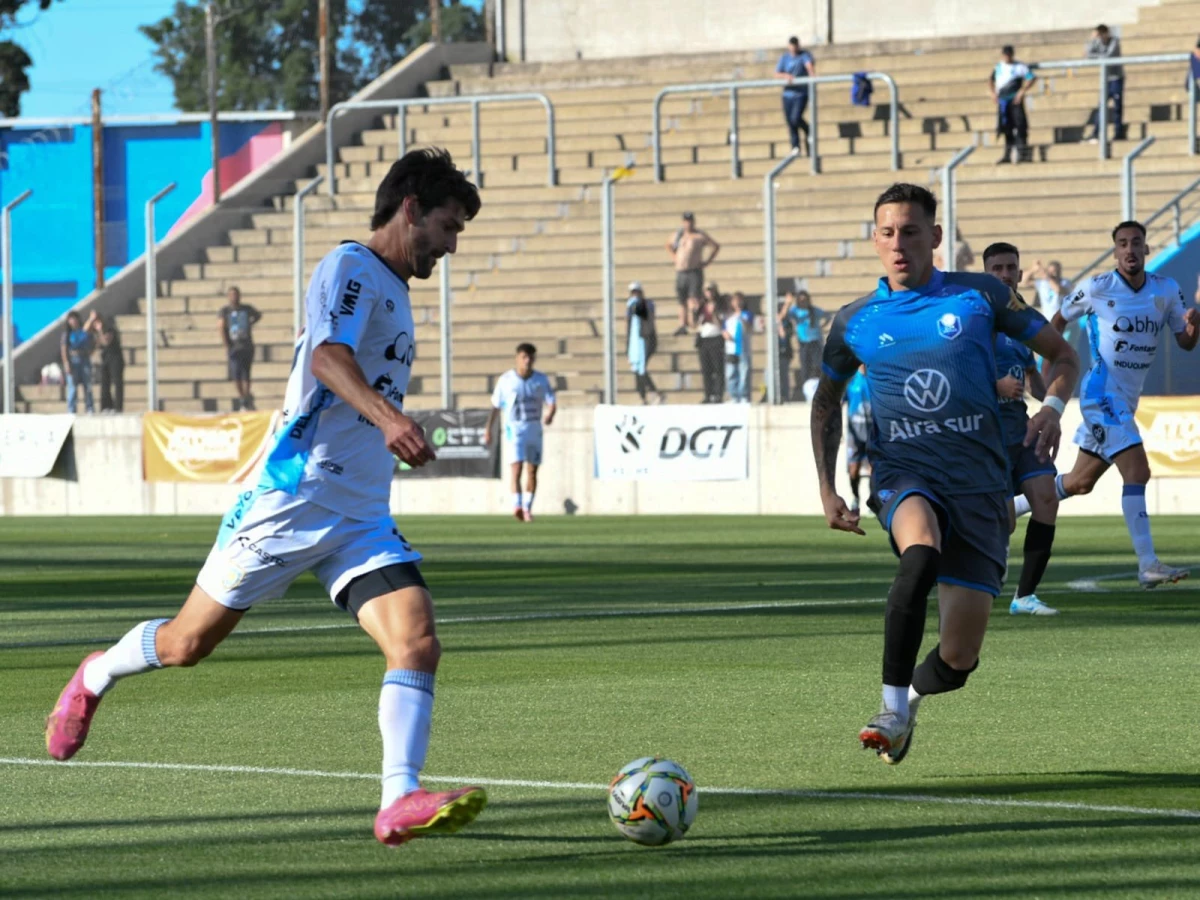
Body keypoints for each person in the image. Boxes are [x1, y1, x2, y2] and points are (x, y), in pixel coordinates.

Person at [45, 148, 489, 847]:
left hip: (360, 514)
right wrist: (391, 419)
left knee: (418, 639)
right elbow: (326, 358)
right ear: (410, 209)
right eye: (447, 224)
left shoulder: (396, 290)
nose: (452, 243)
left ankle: (398, 798)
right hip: (292, 497)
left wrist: (383, 426)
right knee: (188, 643)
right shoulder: (351, 267)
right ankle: (96, 672)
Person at [810, 182, 1078, 765]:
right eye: (887, 232)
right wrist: (828, 488)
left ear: (934, 236)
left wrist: (1052, 410)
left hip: (982, 487)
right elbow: (825, 402)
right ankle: (887, 705)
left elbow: (1063, 356)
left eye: (910, 231)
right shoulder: (855, 320)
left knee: (957, 661)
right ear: (874, 239)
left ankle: (907, 701)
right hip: (905, 472)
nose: (898, 243)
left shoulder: (981, 296)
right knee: (921, 550)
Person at [1013, 221, 1200, 587]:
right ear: (1115, 251)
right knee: (1138, 472)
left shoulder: (1165, 289)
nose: (1129, 249)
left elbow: (1186, 342)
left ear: (1146, 249)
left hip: (1125, 401)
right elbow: (1058, 320)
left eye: (1136, 243)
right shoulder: (1097, 288)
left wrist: (1196, 319)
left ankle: (1006, 509)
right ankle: (1148, 564)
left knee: (1080, 482)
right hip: (1101, 394)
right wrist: (1049, 363)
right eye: (1122, 244)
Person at [982, 242, 1060, 616]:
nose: (1004, 274)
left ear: (1020, 274)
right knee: (1005, 521)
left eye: (1010, 267)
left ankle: (1025, 596)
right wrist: (993, 386)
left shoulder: (1022, 323)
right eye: (996, 268)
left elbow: (1031, 377)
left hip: (1021, 427)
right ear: (985, 274)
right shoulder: (973, 320)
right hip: (984, 432)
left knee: (1047, 498)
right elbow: (949, 373)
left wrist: (1050, 409)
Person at [484, 343, 557, 522]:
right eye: (524, 357)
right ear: (517, 358)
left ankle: (527, 508)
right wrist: (488, 429)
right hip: (514, 429)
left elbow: (551, 401)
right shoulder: (506, 380)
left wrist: (550, 414)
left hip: (534, 428)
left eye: (531, 357)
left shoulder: (540, 379)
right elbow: (495, 406)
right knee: (516, 468)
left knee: (532, 470)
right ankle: (517, 505)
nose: (527, 361)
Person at [666, 213, 719, 336]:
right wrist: (674, 257)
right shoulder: (678, 235)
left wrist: (707, 261)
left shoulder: (699, 235)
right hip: (680, 271)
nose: (688, 224)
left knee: (693, 299)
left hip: (693, 270)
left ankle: (693, 323)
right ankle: (682, 324)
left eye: (690, 221)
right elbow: (668, 245)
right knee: (681, 299)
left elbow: (715, 246)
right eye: (686, 221)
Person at [217, 286, 262, 411]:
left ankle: (246, 398)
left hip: (246, 345)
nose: (234, 297)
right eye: (231, 295)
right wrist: (226, 344)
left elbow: (258, 315)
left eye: (235, 294)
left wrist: (250, 323)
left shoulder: (246, 309)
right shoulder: (225, 311)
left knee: (246, 373)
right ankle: (242, 398)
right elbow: (220, 326)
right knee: (236, 374)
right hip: (234, 346)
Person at [989, 45, 1036, 164]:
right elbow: (991, 80)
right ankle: (1007, 154)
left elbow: (1031, 78)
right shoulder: (998, 66)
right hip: (1003, 100)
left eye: (1008, 55)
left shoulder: (1020, 66)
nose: (1007, 57)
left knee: (1020, 126)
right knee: (1006, 127)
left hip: (1015, 99)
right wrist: (993, 93)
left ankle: (1023, 153)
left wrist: (1022, 91)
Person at [780, 289, 827, 396]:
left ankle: (821, 390)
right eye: (801, 300)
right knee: (805, 366)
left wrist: (822, 326)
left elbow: (827, 316)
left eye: (805, 300)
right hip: (804, 343)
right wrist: (787, 303)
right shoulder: (795, 311)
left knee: (819, 365)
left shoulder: (813, 311)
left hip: (815, 342)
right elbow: (783, 316)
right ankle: (807, 390)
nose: (803, 302)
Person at [774, 36, 816, 155]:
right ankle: (795, 146)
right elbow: (777, 73)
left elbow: (809, 66)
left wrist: (812, 76)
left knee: (795, 118)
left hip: (800, 94)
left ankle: (808, 130)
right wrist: (786, 76)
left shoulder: (804, 55)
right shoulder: (785, 57)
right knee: (790, 122)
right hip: (787, 94)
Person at [626, 281, 665, 405]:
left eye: (637, 292)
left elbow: (648, 318)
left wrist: (637, 306)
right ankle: (643, 396)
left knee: (641, 368)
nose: (635, 295)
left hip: (646, 340)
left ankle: (655, 393)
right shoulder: (630, 307)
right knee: (637, 370)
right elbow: (629, 326)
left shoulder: (647, 304)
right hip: (635, 342)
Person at [1085, 25, 1124, 142]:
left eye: (1100, 35)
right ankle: (1096, 132)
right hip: (1106, 79)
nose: (1099, 38)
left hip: (1116, 78)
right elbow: (1088, 54)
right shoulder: (1097, 42)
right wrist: (1092, 40)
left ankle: (1118, 132)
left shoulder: (1114, 42)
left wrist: (1098, 56)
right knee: (1101, 106)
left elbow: (1109, 56)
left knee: (1117, 107)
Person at [843, 365, 871, 513]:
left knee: (875, 469)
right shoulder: (851, 380)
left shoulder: (875, 377)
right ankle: (855, 498)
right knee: (854, 470)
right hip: (854, 432)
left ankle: (873, 501)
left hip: (873, 431)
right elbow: (840, 402)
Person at [87, 310, 125, 414]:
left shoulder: (108, 327)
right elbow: (85, 331)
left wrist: (99, 331)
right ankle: (106, 406)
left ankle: (118, 407)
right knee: (105, 383)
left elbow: (106, 341)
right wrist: (90, 321)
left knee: (117, 383)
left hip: (115, 357)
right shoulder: (95, 330)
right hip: (105, 358)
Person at [60, 310, 95, 415]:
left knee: (87, 386)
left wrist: (91, 319)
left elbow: (91, 341)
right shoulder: (67, 334)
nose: (73, 321)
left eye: (75, 319)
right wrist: (66, 363)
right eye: (71, 319)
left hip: (84, 359)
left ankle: (89, 408)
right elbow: (64, 349)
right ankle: (71, 410)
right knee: (72, 388)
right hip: (73, 360)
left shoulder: (83, 331)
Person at [695, 290, 725, 403]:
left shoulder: (719, 306)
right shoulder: (701, 308)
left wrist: (713, 313)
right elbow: (695, 323)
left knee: (717, 368)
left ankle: (718, 394)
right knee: (706, 369)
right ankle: (708, 394)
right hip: (704, 340)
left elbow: (721, 324)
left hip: (716, 338)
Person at [1021, 259, 1071, 323]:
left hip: (1062, 321)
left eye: (1055, 271)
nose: (1054, 274)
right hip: (1047, 320)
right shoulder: (1043, 283)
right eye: (1051, 272)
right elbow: (1024, 281)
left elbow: (1058, 290)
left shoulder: (1065, 283)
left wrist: (1048, 277)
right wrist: (1033, 269)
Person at [722, 291, 750, 403]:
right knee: (731, 373)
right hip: (731, 349)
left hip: (743, 348)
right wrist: (725, 335)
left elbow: (748, 327)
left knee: (744, 372)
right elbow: (724, 329)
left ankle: (743, 395)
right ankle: (733, 396)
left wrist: (741, 317)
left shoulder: (746, 314)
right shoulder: (729, 316)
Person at [775, 300, 795, 402]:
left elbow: (785, 335)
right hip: (775, 352)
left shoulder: (788, 322)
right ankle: (776, 395)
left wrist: (781, 327)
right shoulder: (774, 320)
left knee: (784, 375)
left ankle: (785, 396)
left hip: (785, 351)